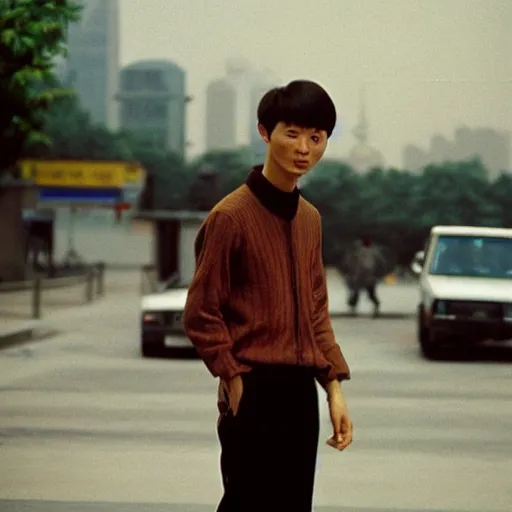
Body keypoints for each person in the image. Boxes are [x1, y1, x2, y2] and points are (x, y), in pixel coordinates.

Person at [183, 79, 353, 512]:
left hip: (300, 395)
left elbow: (316, 312)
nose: (304, 148)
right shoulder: (230, 216)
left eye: (317, 138)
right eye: (292, 133)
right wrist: (231, 374)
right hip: (252, 387)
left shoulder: (310, 220)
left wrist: (332, 388)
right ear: (265, 132)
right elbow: (202, 310)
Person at [344, 236, 386, 317]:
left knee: (370, 293)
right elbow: (351, 262)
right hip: (361, 276)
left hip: (368, 276)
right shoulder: (360, 251)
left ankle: (376, 308)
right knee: (357, 293)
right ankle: (352, 309)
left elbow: (381, 264)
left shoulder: (373, 252)